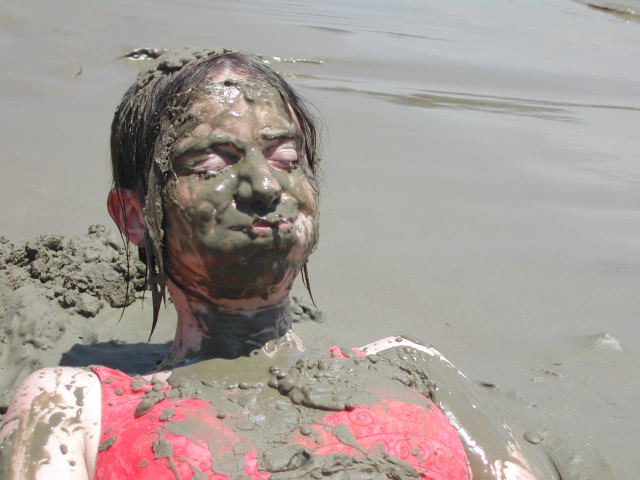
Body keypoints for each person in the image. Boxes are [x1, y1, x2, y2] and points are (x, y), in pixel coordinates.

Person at [0, 50, 538, 480]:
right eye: (210, 164)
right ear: (134, 216)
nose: (264, 184)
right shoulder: (73, 403)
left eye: (287, 159)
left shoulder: (413, 368)